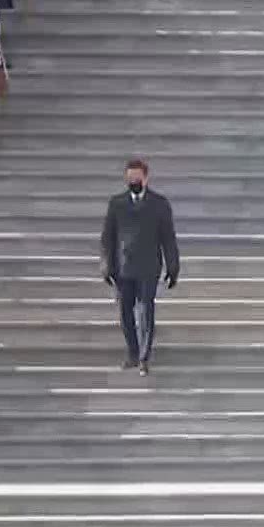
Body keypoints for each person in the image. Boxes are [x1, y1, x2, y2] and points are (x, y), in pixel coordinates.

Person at [101, 158, 180, 375]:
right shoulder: (116, 204)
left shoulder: (159, 204)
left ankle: (145, 357)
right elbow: (108, 237)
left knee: (146, 310)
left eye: (137, 178)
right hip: (123, 267)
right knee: (125, 311)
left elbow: (168, 238)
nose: (133, 181)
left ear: (146, 178)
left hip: (148, 267)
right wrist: (106, 265)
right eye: (130, 178)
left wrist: (173, 266)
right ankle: (133, 353)